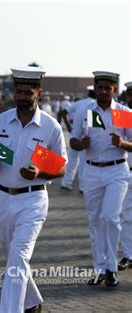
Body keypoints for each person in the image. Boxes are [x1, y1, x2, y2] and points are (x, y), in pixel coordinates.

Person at [0, 66, 67, 313]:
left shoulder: (50, 127)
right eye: (18, 92)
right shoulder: (1, 121)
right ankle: (32, 302)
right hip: (1, 197)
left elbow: (61, 168)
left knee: (18, 257)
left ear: (38, 93)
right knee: (13, 259)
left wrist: (40, 173)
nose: (21, 97)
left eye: (27, 92)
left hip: (33, 200)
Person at [70, 71, 132, 287]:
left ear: (115, 90)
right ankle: (99, 268)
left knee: (110, 217)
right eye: (100, 87)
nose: (103, 91)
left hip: (117, 170)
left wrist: (123, 144)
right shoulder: (84, 112)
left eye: (108, 87)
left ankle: (112, 268)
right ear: (95, 89)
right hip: (91, 171)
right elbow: (73, 141)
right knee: (95, 220)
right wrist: (81, 144)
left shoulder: (124, 113)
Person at [60, 85, 95, 192]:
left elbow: (63, 112)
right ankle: (82, 187)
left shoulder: (79, 103)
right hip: (85, 134)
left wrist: (69, 126)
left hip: (75, 134)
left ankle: (66, 183)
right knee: (83, 161)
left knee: (72, 160)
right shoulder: (95, 104)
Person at [118, 81, 132, 271]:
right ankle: (129, 254)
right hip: (127, 171)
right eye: (130, 94)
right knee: (126, 215)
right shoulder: (122, 115)